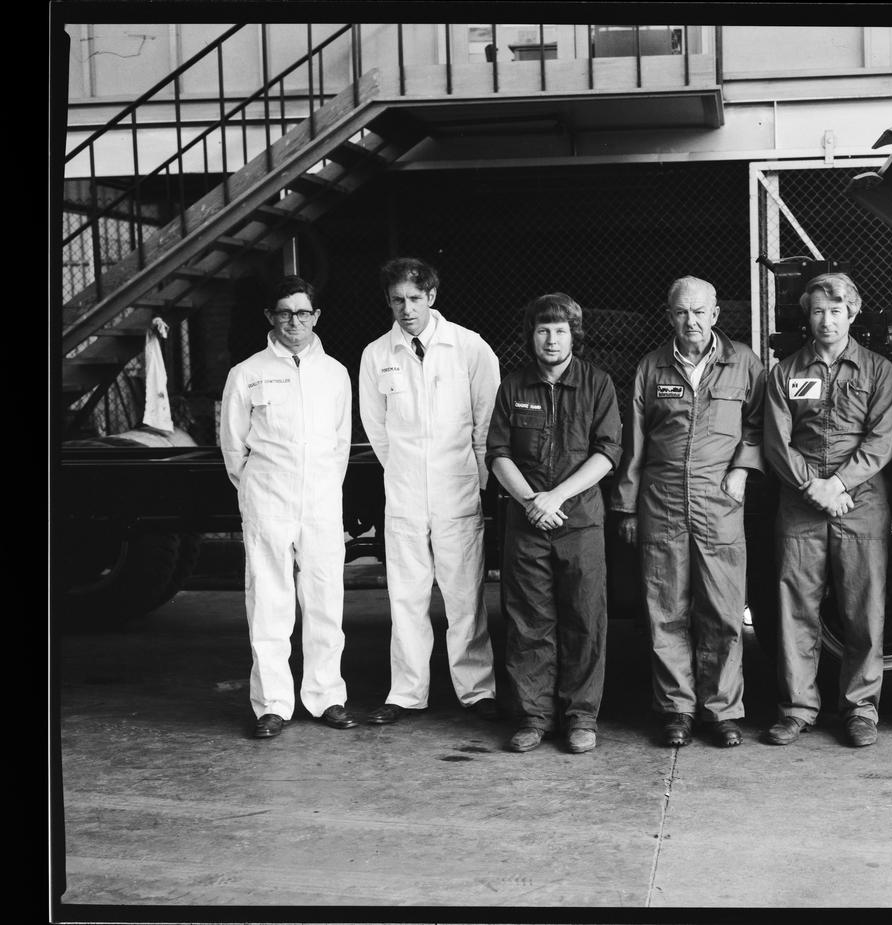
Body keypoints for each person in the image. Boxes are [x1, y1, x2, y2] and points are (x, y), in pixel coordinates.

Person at [611, 276, 765, 748]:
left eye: (699, 312)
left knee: (723, 609)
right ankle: (676, 709)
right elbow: (635, 441)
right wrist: (628, 506)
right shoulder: (651, 367)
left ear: (715, 314)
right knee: (666, 610)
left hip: (718, 499)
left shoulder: (744, 363)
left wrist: (742, 469)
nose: (691, 321)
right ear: (669, 316)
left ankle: (722, 711)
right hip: (662, 500)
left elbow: (760, 423)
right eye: (681, 312)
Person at [358, 257, 502, 723]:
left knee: (464, 596)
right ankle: (406, 693)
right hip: (404, 493)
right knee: (406, 597)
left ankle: (476, 691)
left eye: (415, 298)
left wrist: (476, 479)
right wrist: (405, 472)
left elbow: (487, 421)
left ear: (432, 296)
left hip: (457, 489)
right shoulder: (377, 355)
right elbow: (377, 428)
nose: (407, 309)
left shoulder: (468, 347)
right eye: (397, 300)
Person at [762, 273, 892, 748]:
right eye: (818, 310)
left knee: (863, 608)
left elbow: (881, 440)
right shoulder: (784, 372)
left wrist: (837, 484)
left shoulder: (878, 371)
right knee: (795, 608)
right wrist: (812, 486)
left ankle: (860, 709)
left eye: (836, 310)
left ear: (852, 313)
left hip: (859, 501)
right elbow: (776, 441)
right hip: (801, 502)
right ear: (808, 314)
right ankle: (797, 708)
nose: (827, 320)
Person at [219, 275, 357, 738]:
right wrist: (257, 488)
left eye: (302, 313)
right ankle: (272, 704)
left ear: (316, 316)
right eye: (284, 313)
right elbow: (233, 446)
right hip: (268, 498)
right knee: (269, 600)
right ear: (270, 317)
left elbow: (340, 443)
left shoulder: (335, 373)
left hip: (320, 499)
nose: (294, 322)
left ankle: (326, 696)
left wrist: (322, 485)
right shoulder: (247, 373)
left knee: (324, 597)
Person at [486, 294, 622, 754]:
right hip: (527, 523)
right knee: (528, 620)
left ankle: (581, 717)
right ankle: (534, 716)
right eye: (543, 330)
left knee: (585, 618)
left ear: (573, 336)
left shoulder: (597, 384)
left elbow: (608, 452)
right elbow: (497, 453)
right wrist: (530, 501)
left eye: (560, 330)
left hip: (579, 521)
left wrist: (557, 497)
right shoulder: (513, 387)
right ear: (532, 335)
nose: (551, 339)